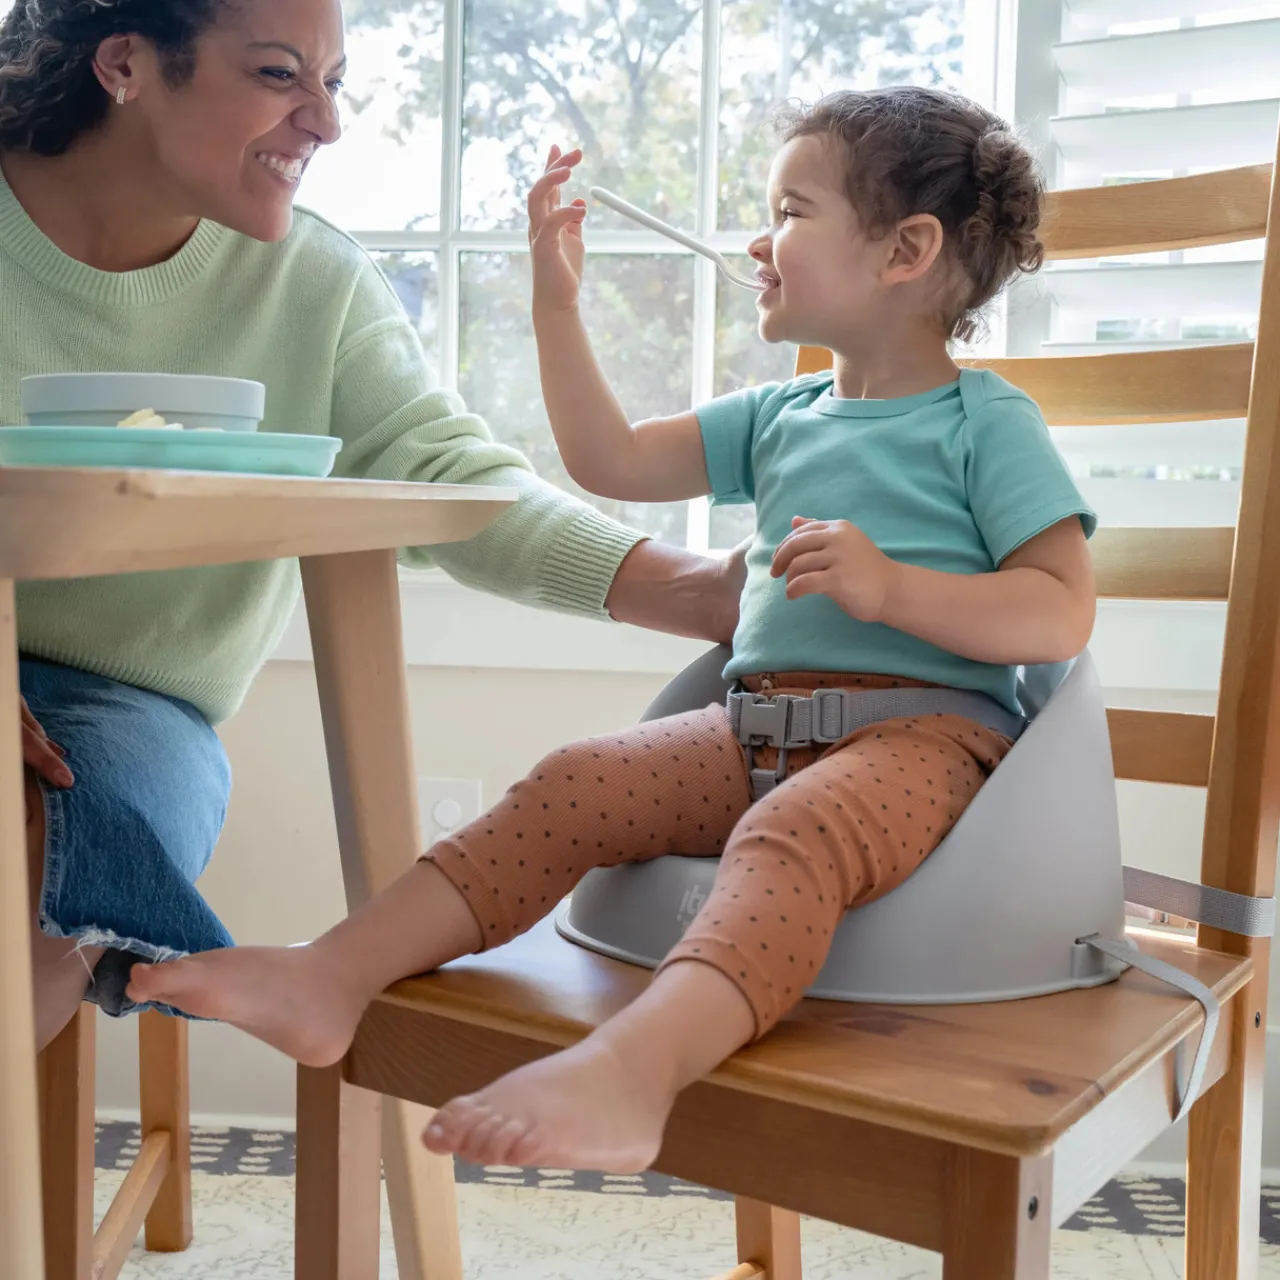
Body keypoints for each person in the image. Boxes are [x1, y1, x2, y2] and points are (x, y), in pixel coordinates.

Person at [130, 85, 1098, 1175]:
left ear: (903, 250)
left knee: (788, 839)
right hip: (755, 729)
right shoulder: (778, 416)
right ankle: (331, 974)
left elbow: (1058, 607)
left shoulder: (985, 422)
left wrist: (894, 590)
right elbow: (610, 462)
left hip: (925, 740)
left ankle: (634, 1071)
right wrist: (554, 302)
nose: (755, 236)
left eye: (790, 208)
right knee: (571, 778)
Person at [0, 0, 744, 1054]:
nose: (325, 123)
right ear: (126, 64)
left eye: (333, 82)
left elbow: (448, 477)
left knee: (22, 836)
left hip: (122, 713)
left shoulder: (312, 284)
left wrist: (700, 588)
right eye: (276, 74)